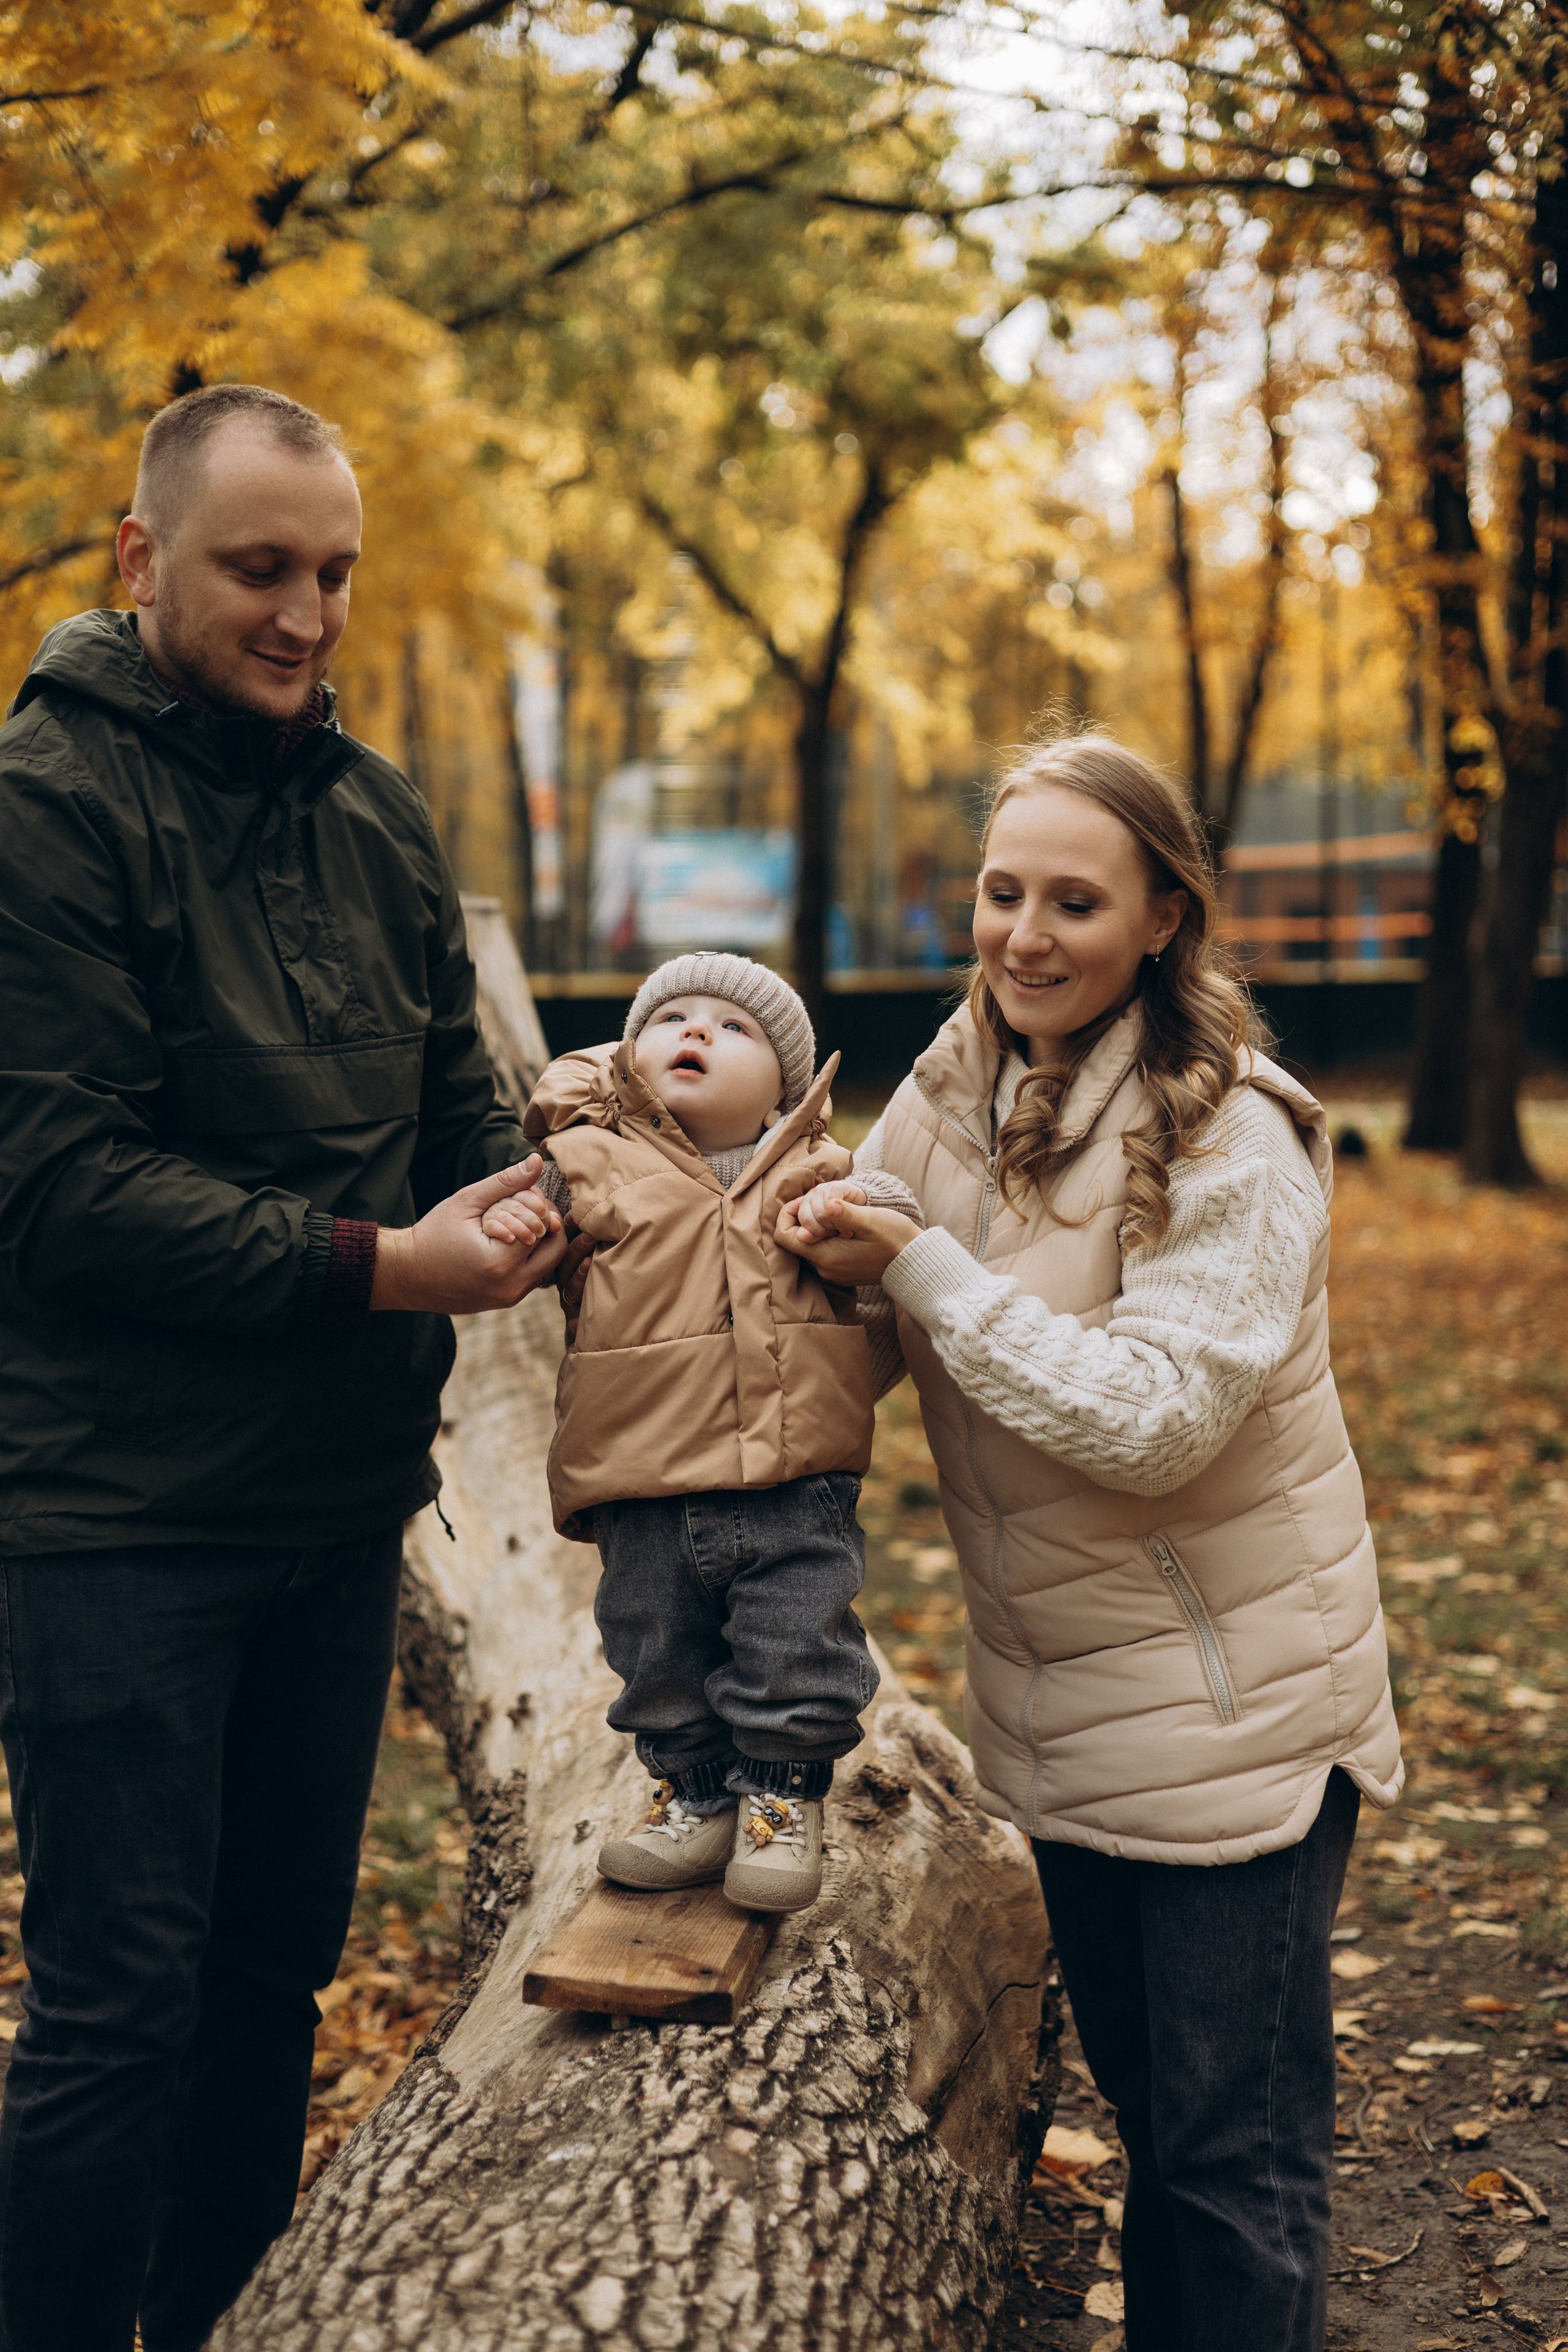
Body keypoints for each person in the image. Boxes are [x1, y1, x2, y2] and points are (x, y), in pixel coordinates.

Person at [0, 383, 566, 2352]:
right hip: (117, 1531)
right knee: (119, 2013)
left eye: (333, 572)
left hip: (334, 1522)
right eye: (260, 568)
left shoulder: (377, 808)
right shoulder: (42, 808)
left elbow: (445, 1106)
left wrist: (534, 1180)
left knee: (263, 2000)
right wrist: (385, 1265)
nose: (307, 614)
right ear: (141, 560)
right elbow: (56, 1186)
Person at [778, 731, 1403, 2352]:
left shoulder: (1233, 1139)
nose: (1026, 935)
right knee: (1157, 2131)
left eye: (1075, 900)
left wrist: (916, 1270)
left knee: (1226, 2160)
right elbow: (834, 1298)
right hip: (1058, 1719)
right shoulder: (948, 1090)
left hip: (1234, 1720)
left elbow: (1156, 1421)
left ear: (1162, 923)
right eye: (1002, 893)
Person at [491, 952, 918, 1912]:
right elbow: (528, 1214)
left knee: (796, 1637)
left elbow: (895, 1218)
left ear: (783, 1097)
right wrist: (523, 1214)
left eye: (735, 1030)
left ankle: (779, 1800)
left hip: (792, 1473)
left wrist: (859, 1213)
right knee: (653, 1646)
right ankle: (692, 1794)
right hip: (638, 1472)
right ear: (630, 1056)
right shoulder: (588, 1162)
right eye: (672, 1018)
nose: (696, 1033)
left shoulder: (815, 1169)